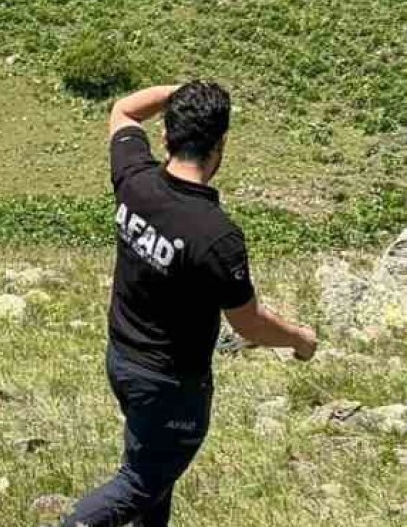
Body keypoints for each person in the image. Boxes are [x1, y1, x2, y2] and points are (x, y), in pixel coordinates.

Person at [62, 82, 317, 527]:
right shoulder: (216, 236)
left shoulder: (135, 181)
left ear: (165, 137)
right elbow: (250, 325)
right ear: (221, 145)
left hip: (122, 360)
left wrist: (181, 92)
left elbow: (123, 110)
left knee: (155, 473)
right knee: (140, 483)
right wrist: (300, 340)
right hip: (171, 386)